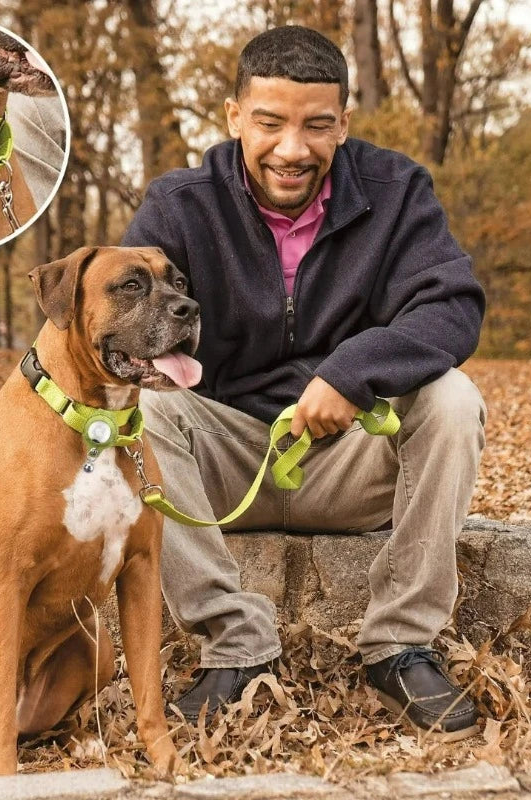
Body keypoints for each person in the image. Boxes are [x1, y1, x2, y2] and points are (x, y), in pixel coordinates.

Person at [119, 25, 486, 740]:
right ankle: (235, 648)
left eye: (318, 126)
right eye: (270, 123)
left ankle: (400, 646)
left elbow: (452, 303)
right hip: (218, 468)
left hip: (348, 461)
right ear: (234, 118)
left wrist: (352, 373)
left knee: (452, 398)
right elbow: (109, 325)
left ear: (343, 123)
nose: (293, 148)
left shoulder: (398, 192)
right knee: (144, 405)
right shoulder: (178, 206)